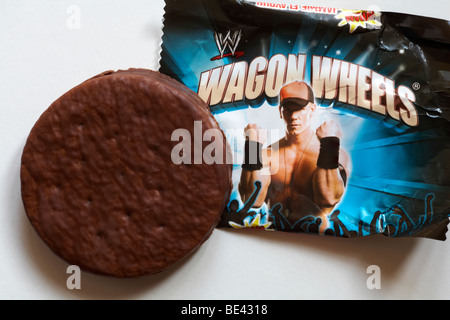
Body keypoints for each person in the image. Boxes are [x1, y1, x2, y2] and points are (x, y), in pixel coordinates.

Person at [238, 81, 351, 232]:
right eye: (288, 110)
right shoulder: (268, 155)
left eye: (299, 109)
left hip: (317, 241)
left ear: (312, 109)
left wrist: (329, 144)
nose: (293, 116)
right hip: (273, 237)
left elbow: (328, 198)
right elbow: (252, 200)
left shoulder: (332, 152)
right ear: (280, 112)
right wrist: (252, 147)